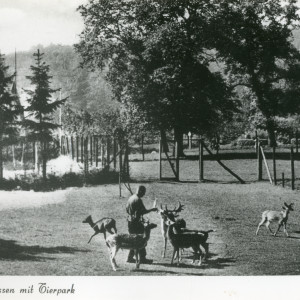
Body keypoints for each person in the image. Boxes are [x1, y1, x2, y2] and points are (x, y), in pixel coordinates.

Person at [126, 185, 157, 264]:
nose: (144, 194)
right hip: (136, 223)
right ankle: (142, 258)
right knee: (141, 239)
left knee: (133, 240)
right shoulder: (138, 200)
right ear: (140, 191)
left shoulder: (131, 198)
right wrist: (152, 209)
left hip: (130, 222)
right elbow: (143, 211)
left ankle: (129, 257)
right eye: (143, 193)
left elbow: (127, 209)